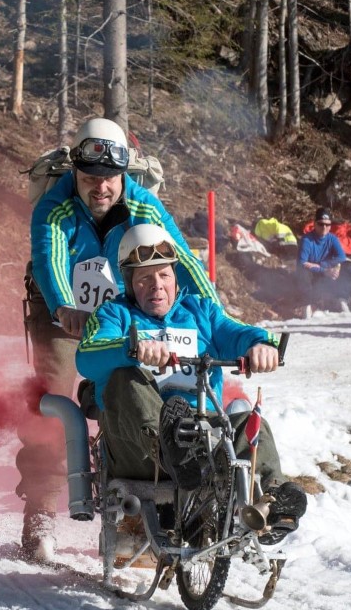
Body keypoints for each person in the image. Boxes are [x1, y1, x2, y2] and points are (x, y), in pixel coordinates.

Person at [20, 117, 215, 561]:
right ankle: (40, 515)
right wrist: (64, 309)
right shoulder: (54, 208)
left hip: (130, 311)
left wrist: (215, 316)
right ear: (75, 173)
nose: (101, 189)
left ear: (125, 174)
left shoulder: (145, 206)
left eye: (111, 179)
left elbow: (181, 262)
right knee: (56, 398)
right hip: (63, 314)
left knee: (149, 394)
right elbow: (50, 260)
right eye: (90, 179)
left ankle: (142, 512)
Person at [76, 224, 308, 543]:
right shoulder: (114, 315)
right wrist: (129, 349)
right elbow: (86, 355)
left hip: (202, 440)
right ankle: (170, 446)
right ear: (129, 282)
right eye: (145, 278)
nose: (156, 286)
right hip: (137, 450)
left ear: (175, 277)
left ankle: (273, 505)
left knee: (250, 424)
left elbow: (237, 332)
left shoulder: (199, 313)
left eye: (164, 276)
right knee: (123, 379)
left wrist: (261, 345)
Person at [297, 207, 351, 315]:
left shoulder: (332, 238)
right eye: (321, 224)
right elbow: (302, 263)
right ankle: (307, 305)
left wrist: (331, 267)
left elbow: (341, 257)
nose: (324, 227)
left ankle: (342, 299)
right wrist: (324, 270)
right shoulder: (307, 240)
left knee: (348, 265)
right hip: (312, 275)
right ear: (314, 224)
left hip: (325, 272)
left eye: (327, 225)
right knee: (303, 271)